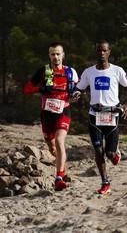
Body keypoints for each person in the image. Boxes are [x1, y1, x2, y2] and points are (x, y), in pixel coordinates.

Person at [72, 40, 127, 195]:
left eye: (104, 51)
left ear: (109, 52)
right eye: (99, 51)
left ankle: (115, 153)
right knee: (98, 150)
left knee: (109, 154)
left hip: (112, 116)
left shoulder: (117, 71)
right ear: (96, 52)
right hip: (95, 115)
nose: (101, 53)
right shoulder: (88, 72)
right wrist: (77, 93)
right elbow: (78, 88)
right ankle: (105, 182)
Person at [23, 42, 79, 191]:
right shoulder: (43, 71)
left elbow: (78, 91)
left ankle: (59, 177)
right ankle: (64, 170)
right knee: (53, 147)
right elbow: (27, 89)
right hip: (47, 115)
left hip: (63, 112)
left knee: (60, 141)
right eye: (53, 54)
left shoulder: (71, 72)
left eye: (58, 54)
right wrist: (40, 88)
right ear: (49, 56)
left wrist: (75, 96)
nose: (55, 57)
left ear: (63, 55)